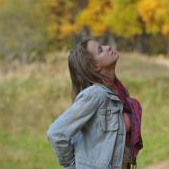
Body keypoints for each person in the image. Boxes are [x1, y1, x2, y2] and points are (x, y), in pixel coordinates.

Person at [47, 38, 143, 169]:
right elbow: (56, 133)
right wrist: (72, 166)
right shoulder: (96, 95)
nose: (108, 47)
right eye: (100, 50)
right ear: (95, 66)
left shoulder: (119, 93)